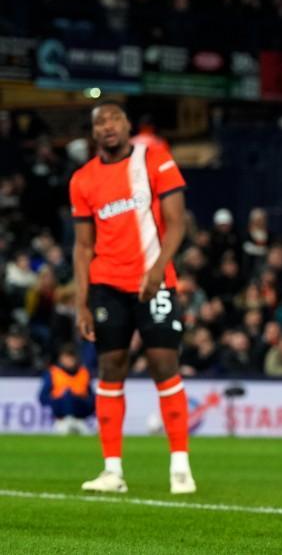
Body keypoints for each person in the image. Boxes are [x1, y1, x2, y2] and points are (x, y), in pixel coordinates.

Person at [70, 101, 194, 494]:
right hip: (107, 283)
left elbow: (177, 221)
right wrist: (81, 301)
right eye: (100, 122)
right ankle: (112, 471)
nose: (108, 126)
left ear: (126, 127)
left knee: (163, 364)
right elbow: (82, 247)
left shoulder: (154, 158)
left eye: (114, 119)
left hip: (154, 280)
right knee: (110, 367)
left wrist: (159, 266)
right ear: (93, 133)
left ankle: (180, 466)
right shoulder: (83, 180)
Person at [39, 344, 94, 434]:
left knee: (71, 397)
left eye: (71, 358)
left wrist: (78, 397)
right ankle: (67, 420)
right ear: (61, 359)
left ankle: (75, 421)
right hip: (61, 414)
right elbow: (42, 397)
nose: (69, 361)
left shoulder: (84, 373)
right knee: (67, 396)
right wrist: (57, 400)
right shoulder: (54, 373)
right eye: (66, 358)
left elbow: (92, 398)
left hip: (80, 413)